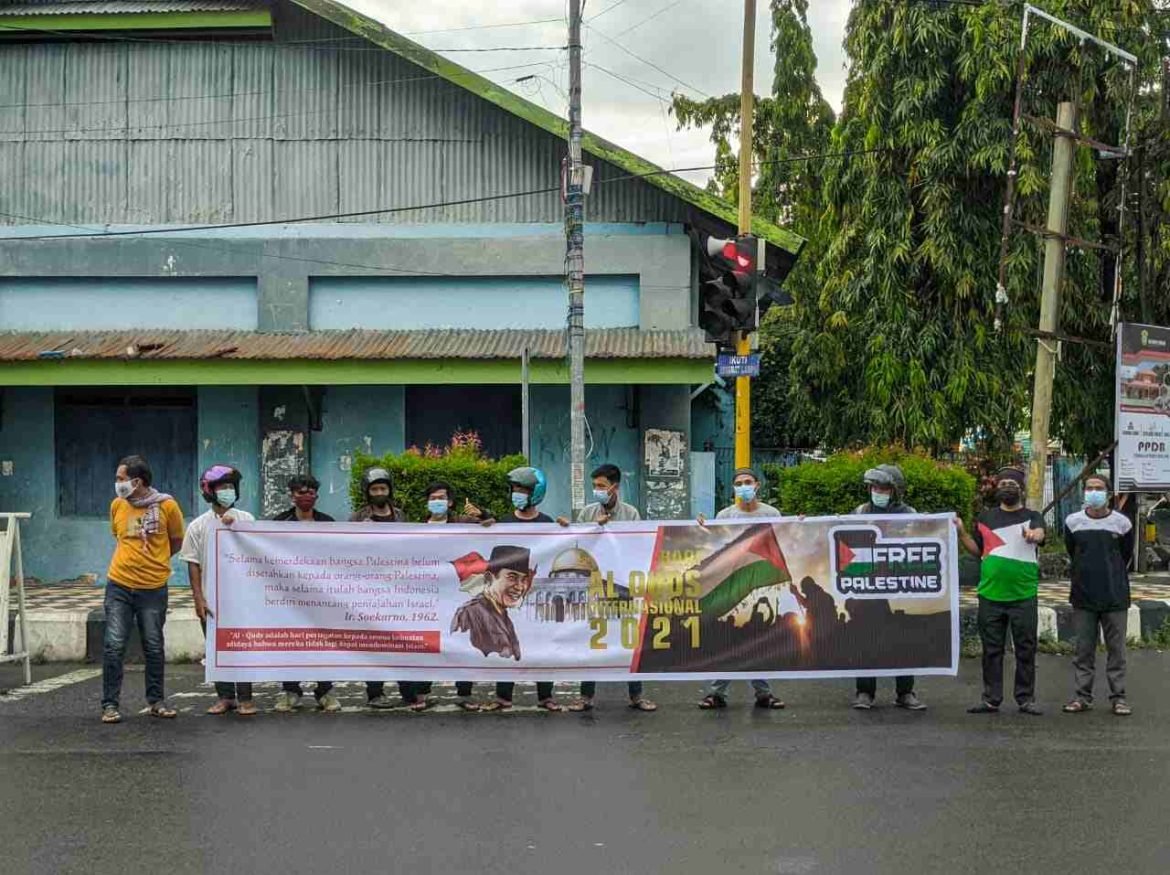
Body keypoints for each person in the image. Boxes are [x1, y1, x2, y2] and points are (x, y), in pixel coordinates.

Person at [101, 455, 185, 724]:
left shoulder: (167, 506)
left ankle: (156, 701)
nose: (117, 483)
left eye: (121, 479)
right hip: (119, 585)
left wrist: (155, 561)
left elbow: (176, 540)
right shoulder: (117, 505)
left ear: (137, 482)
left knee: (153, 645)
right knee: (114, 645)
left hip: (153, 588)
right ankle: (110, 704)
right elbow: (118, 537)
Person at [955, 466, 1046, 716]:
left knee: (1025, 649)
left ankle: (1025, 699)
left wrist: (1033, 535)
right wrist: (962, 533)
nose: (1007, 487)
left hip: (1023, 595)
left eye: (1012, 484)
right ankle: (991, 699)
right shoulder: (986, 517)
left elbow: (1040, 533)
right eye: (1003, 483)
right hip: (990, 595)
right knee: (991, 650)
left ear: (1021, 489)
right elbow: (978, 550)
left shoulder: (1033, 516)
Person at [697, 467, 785, 711]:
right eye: (739, 483)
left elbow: (783, 539)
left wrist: (800, 525)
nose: (743, 487)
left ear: (757, 485)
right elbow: (715, 544)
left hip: (761, 584)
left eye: (748, 482)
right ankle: (717, 693)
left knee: (757, 639)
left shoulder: (772, 514)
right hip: (732, 582)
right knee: (728, 639)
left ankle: (763, 693)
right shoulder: (725, 515)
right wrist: (702, 528)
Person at [570, 463, 656, 712]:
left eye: (601, 486)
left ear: (614, 487)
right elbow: (578, 544)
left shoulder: (631, 514)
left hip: (623, 583)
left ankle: (636, 695)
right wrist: (595, 528)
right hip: (596, 583)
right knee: (593, 639)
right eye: (594, 486)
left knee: (629, 638)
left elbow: (638, 544)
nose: (596, 490)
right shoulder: (587, 513)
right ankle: (586, 696)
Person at [481, 466, 565, 712]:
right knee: (506, 642)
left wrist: (565, 528)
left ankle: (545, 696)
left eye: (522, 490)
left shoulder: (548, 523)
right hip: (509, 597)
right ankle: (503, 696)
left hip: (537, 595)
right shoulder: (504, 522)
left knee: (541, 644)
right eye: (514, 489)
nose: (516, 494)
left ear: (535, 493)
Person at [180, 465, 258, 716]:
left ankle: (245, 698)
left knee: (243, 648)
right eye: (223, 487)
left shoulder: (246, 519)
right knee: (216, 648)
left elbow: (257, 550)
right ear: (209, 491)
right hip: (212, 598)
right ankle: (225, 697)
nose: (228, 491)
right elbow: (193, 563)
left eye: (231, 487)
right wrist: (198, 598)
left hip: (242, 598)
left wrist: (235, 528)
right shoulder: (198, 526)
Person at [850, 465, 927, 711]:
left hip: (899, 587)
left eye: (883, 488)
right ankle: (864, 692)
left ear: (895, 491)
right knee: (866, 639)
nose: (877, 492)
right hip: (868, 587)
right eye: (874, 487)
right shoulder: (860, 512)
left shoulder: (910, 514)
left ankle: (905, 692)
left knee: (902, 638)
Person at [270, 473, 341, 713]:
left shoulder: (328, 522)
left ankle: (325, 691)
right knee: (289, 642)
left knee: (324, 642)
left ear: (316, 495)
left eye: (311, 492)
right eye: (301, 492)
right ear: (292, 495)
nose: (306, 496)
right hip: (289, 595)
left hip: (321, 593)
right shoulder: (279, 522)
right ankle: (290, 690)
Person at [1062, 476, 1133, 717]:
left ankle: (1119, 698)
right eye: (1090, 488)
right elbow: (1072, 551)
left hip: (1115, 597)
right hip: (1083, 597)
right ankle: (1082, 697)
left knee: (1117, 652)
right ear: (1084, 492)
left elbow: (1125, 555)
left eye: (1099, 488)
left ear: (1109, 493)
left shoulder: (1122, 523)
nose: (1094, 492)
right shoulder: (1073, 522)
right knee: (1083, 651)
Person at [347, 467, 412, 709]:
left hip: (398, 587)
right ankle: (375, 693)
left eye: (383, 488)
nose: (379, 493)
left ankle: (409, 693)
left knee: (403, 642)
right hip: (369, 588)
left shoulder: (401, 516)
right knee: (373, 642)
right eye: (374, 489)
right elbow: (346, 549)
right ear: (367, 492)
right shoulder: (357, 518)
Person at [425, 480, 487, 712]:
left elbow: (490, 525)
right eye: (432, 498)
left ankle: (464, 693)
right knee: (428, 643)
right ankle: (422, 692)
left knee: (462, 640)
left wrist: (483, 514)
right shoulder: (416, 527)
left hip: (458, 591)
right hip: (430, 594)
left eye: (441, 498)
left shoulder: (463, 522)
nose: (437, 502)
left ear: (450, 502)